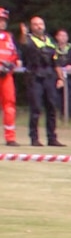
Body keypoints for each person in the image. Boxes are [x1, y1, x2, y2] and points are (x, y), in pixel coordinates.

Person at [18, 16, 65, 147]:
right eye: (36, 24)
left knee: (51, 107)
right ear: (31, 27)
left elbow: (56, 61)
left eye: (41, 24)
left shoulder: (50, 40)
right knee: (36, 108)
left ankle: (52, 138)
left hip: (49, 76)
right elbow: (22, 44)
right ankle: (34, 138)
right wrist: (22, 33)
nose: (39, 26)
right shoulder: (28, 39)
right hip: (34, 77)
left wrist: (60, 77)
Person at [0, 8, 21, 146]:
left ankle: (10, 137)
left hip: (6, 75)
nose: (2, 23)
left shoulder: (9, 36)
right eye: (0, 20)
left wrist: (15, 62)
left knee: (10, 105)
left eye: (4, 20)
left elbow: (14, 55)